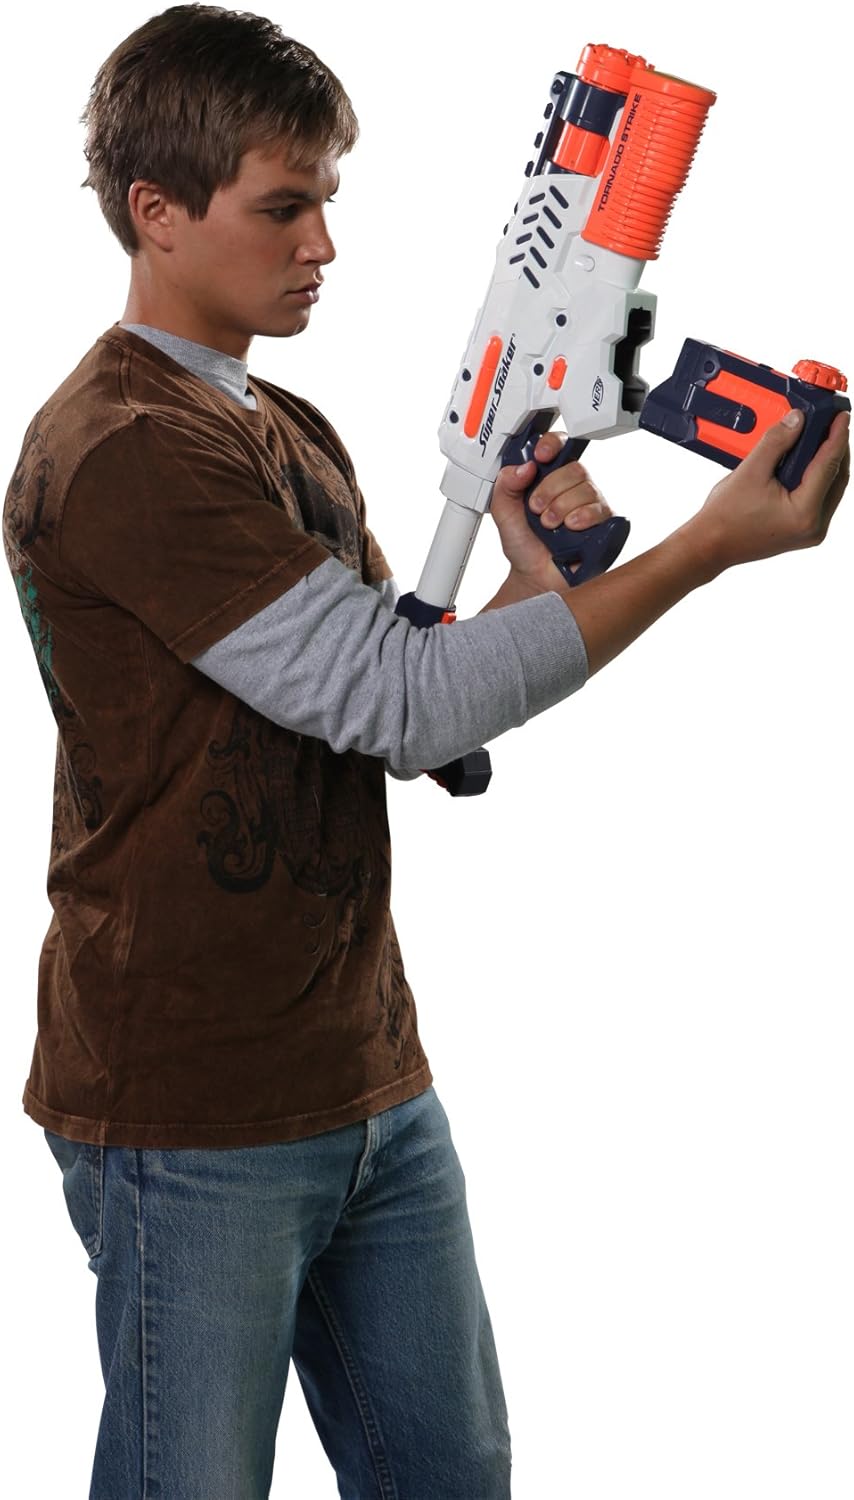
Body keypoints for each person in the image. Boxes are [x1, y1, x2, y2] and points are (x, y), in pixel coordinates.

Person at [3, 6, 848, 1499]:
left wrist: (531, 581)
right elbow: (404, 703)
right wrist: (706, 550)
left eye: (326, 200)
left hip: (362, 1071)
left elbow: (404, 708)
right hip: (189, 1105)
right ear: (157, 211)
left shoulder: (280, 424)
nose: (323, 243)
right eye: (284, 207)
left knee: (450, 1476)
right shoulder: (126, 447)